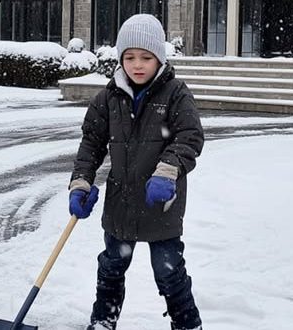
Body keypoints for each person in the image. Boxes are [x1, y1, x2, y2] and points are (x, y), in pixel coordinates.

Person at [68, 14, 204, 330]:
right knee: (112, 265)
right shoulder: (108, 97)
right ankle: (103, 319)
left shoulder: (175, 94)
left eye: (146, 57)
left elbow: (189, 137)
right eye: (129, 57)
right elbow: (91, 144)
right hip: (122, 200)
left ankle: (187, 324)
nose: (137, 64)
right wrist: (81, 183)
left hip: (162, 202)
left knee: (168, 269)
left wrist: (167, 171)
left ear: (159, 58)